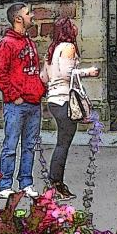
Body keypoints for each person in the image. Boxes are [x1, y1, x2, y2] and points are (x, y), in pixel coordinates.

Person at [40, 17, 100, 201]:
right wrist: (88, 72)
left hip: (53, 99)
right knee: (63, 144)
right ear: (68, 30)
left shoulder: (51, 50)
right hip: (64, 100)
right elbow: (67, 74)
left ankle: (54, 184)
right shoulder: (68, 47)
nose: (76, 28)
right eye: (73, 25)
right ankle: (55, 185)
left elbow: (44, 77)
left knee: (62, 143)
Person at [0, 2, 46, 199]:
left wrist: (40, 90)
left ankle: (26, 183)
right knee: (10, 145)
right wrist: (14, 96)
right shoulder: (7, 43)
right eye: (28, 13)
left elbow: (33, 71)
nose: (32, 16)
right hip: (17, 104)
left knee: (29, 146)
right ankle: (5, 184)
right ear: (18, 19)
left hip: (33, 102)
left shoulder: (29, 42)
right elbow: (0, 74)